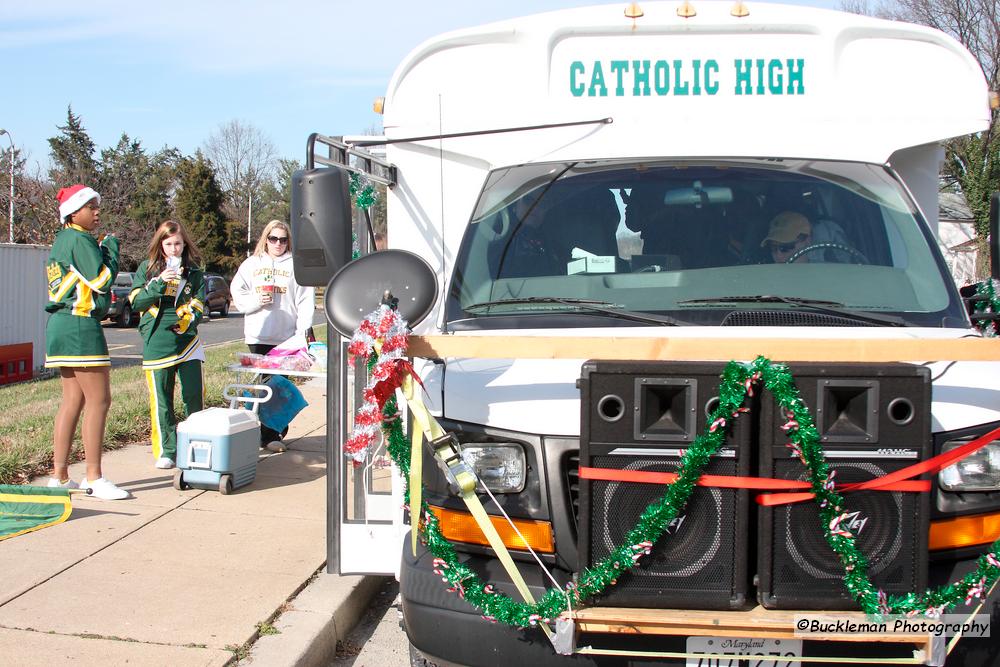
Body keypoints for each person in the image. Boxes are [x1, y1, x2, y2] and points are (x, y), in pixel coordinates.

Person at [43, 184, 129, 500]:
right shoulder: (79, 239)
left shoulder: (62, 240)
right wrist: (111, 249)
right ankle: (94, 476)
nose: (97, 213)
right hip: (80, 326)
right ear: (73, 212)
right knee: (99, 400)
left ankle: (60, 476)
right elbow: (103, 280)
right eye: (91, 207)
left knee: (72, 402)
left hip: (61, 326)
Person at [231, 220, 316, 450]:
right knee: (262, 386)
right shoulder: (252, 264)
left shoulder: (296, 265)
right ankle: (259, 432)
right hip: (258, 335)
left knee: (279, 387)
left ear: (289, 241)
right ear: (265, 239)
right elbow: (237, 291)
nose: (278, 243)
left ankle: (272, 434)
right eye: (273, 238)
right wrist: (255, 302)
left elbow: (305, 300)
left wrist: (303, 331)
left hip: (286, 337)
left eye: (283, 239)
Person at [129, 221, 207, 470]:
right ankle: (167, 450)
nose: (174, 249)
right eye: (169, 244)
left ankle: (196, 445)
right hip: (157, 344)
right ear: (160, 245)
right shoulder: (147, 269)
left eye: (178, 244)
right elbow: (137, 302)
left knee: (194, 395)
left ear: (185, 245)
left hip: (187, 343)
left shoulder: (194, 272)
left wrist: (189, 319)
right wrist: (160, 282)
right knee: (162, 401)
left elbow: (199, 302)